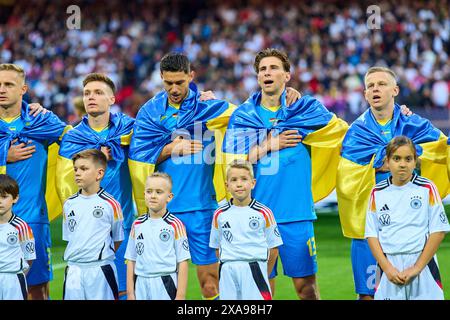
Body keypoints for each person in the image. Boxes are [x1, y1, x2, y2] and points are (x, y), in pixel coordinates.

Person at [223, 48, 348, 300]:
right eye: (262, 70)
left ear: (287, 76)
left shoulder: (305, 109)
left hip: (296, 213)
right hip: (256, 216)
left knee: (307, 290)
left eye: (273, 68)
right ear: (257, 77)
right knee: (260, 292)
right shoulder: (243, 117)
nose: (267, 73)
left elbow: (342, 132)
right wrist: (268, 145)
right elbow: (232, 165)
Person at [337, 67, 449, 300]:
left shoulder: (412, 123)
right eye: (370, 86)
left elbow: (439, 149)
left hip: (412, 230)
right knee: (368, 296)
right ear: (365, 94)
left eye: (381, 84)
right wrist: (394, 160)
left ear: (395, 90)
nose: (375, 89)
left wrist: (380, 162)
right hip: (372, 228)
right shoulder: (357, 131)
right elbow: (346, 174)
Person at [56, 73, 135, 299]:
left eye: (98, 92)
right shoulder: (73, 137)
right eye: (87, 93)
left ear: (112, 99)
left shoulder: (129, 129)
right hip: (87, 234)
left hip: (124, 227)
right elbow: (63, 180)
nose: (91, 97)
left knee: (124, 293)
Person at [0, 63, 68, 299]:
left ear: (23, 89)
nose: (1, 89)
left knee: (36, 288)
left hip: (32, 220)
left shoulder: (41, 121)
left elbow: (74, 138)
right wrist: (3, 154)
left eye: (8, 84)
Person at [365, 136, 450, 300]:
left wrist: (416, 268)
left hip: (422, 265)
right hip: (389, 267)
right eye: (396, 158)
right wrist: (387, 268)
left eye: (408, 159)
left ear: (415, 161)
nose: (402, 164)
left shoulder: (427, 188)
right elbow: (371, 234)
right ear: (387, 161)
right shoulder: (377, 192)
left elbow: (438, 231)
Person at [209, 159, 282, 300]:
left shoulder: (264, 213)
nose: (239, 184)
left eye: (244, 179)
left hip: (255, 268)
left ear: (253, 183)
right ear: (227, 185)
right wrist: (229, 263)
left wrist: (264, 273)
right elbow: (217, 246)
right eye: (234, 180)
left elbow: (274, 248)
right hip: (227, 269)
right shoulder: (220, 214)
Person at [62, 149, 124, 300]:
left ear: (99, 174)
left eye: (84, 169)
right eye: (75, 169)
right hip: (73, 270)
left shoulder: (111, 204)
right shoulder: (69, 204)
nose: (77, 173)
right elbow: (70, 238)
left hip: (100, 269)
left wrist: (100, 255)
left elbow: (117, 239)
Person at [125, 172, 190, 300]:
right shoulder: (137, 224)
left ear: (169, 197)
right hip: (141, 283)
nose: (153, 196)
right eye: (149, 191)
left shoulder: (175, 225)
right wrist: (130, 293)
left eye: (159, 192)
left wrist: (180, 296)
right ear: (144, 194)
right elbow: (131, 260)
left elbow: (182, 262)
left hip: (165, 282)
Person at [0, 174, 36, 300]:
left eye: (4, 197)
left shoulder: (21, 227)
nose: (0, 201)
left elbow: (29, 258)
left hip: (13, 280)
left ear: (15, 198)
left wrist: (17, 273)